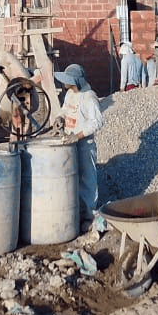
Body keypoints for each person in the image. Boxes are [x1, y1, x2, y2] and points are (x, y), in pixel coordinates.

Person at [55, 66, 103, 230]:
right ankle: (76, 214)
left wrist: (78, 136)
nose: (64, 83)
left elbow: (97, 122)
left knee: (87, 181)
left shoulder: (89, 97)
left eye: (67, 80)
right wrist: (60, 118)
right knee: (72, 180)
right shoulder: (70, 94)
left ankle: (89, 215)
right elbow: (65, 110)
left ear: (76, 81)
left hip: (84, 146)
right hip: (70, 145)